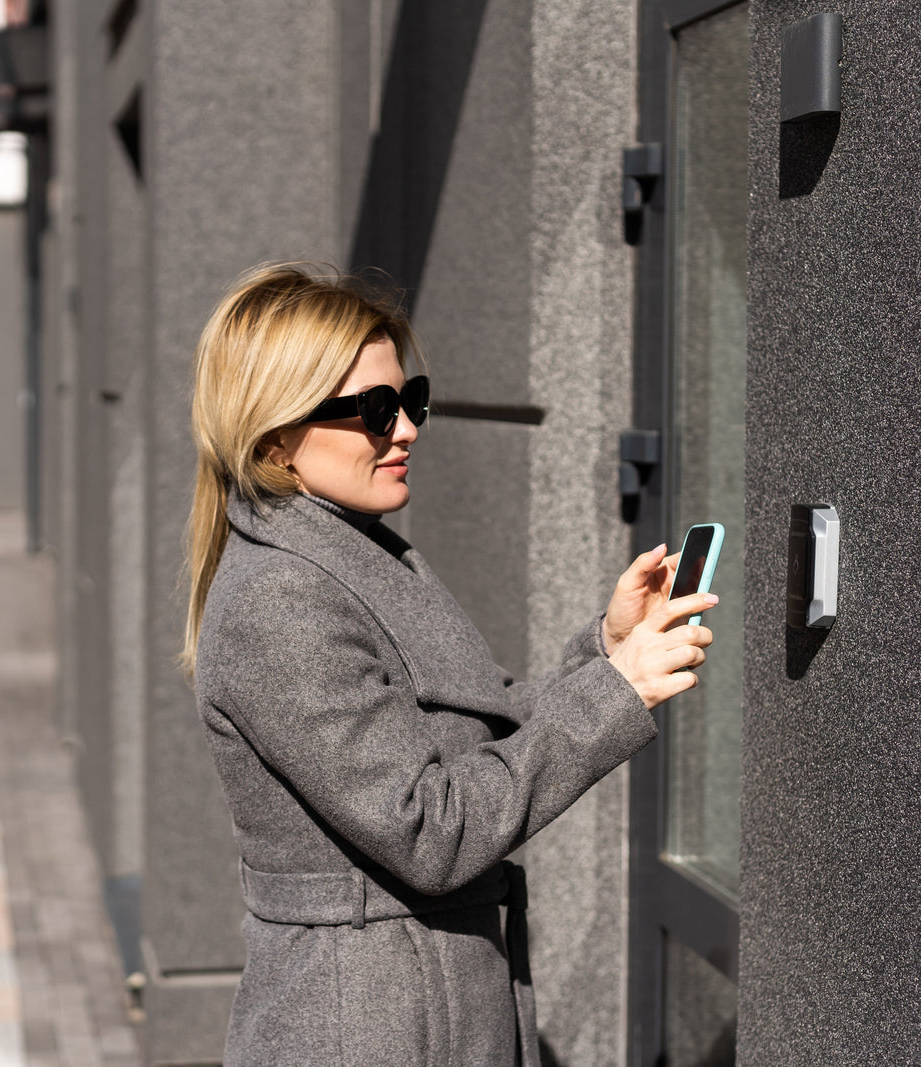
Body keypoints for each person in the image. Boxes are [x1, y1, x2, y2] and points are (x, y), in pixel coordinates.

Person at [184, 264, 716, 1067]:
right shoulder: (281, 601)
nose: (406, 429)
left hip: (419, 1000)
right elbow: (430, 828)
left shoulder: (356, 551)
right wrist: (615, 692)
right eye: (374, 410)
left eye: (411, 399)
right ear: (274, 439)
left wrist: (606, 648)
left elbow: (473, 727)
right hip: (367, 1022)